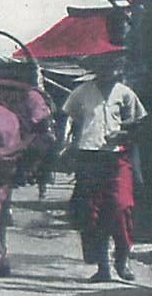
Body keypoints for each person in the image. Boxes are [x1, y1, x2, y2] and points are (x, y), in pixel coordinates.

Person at [63, 51, 147, 282]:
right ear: (95, 67)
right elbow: (72, 122)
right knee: (93, 213)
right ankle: (102, 267)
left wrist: (123, 133)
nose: (107, 71)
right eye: (101, 66)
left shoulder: (126, 94)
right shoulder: (81, 93)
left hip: (117, 159)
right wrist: (69, 146)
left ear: (118, 68)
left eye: (111, 66)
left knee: (121, 208)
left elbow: (137, 126)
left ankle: (122, 260)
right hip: (89, 159)